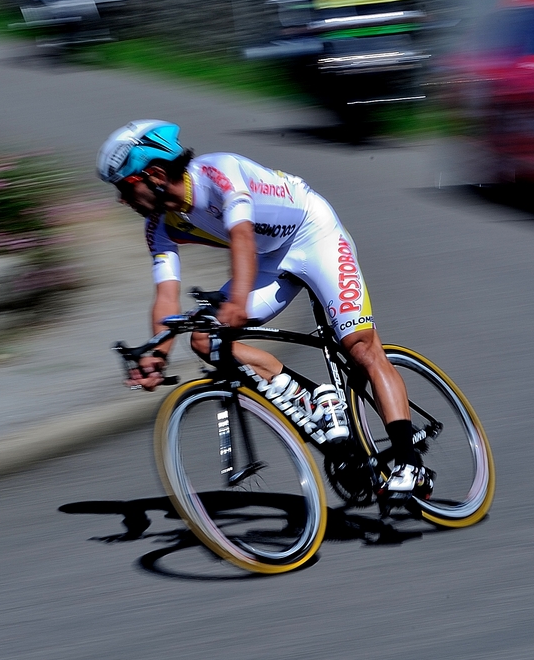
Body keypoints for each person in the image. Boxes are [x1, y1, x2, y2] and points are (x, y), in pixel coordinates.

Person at [97, 119, 430, 499]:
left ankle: (409, 463)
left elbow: (241, 236)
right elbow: (166, 295)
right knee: (206, 341)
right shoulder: (158, 225)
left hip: (313, 233)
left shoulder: (216, 173)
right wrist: (159, 351)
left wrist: (238, 302)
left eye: (124, 187)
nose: (122, 201)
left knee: (361, 347)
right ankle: (313, 400)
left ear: (155, 174)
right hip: (268, 259)